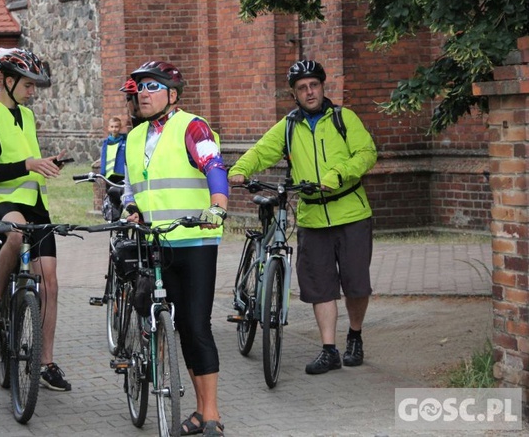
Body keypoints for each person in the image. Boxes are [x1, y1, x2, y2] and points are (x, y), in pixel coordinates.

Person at [228, 59, 377, 375]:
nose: (309, 92)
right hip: (311, 217)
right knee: (320, 286)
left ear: (323, 87)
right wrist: (240, 169)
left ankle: (355, 334)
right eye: (302, 88)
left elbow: (366, 153)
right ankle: (329, 349)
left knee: (356, 284)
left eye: (314, 85)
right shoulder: (289, 125)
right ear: (294, 94)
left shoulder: (342, 118)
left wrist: (338, 173)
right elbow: (261, 151)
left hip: (351, 212)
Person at [121, 61, 228, 437]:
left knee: (197, 325)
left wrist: (218, 205)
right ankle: (197, 411)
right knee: (179, 324)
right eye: (140, 89)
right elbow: (132, 190)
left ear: (173, 94)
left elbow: (214, 164)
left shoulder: (193, 126)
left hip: (194, 241)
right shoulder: (133, 138)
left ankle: (210, 412)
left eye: (153, 87)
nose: (144, 94)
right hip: (156, 243)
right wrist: (131, 210)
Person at [0, 48, 72, 391]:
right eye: (28, 85)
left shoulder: (27, 117)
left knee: (51, 284)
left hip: (36, 202)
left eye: (35, 86)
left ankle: (46, 362)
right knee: (15, 234)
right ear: (9, 80)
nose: (33, 91)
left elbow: (29, 159)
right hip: (3, 201)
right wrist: (29, 165)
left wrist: (48, 163)